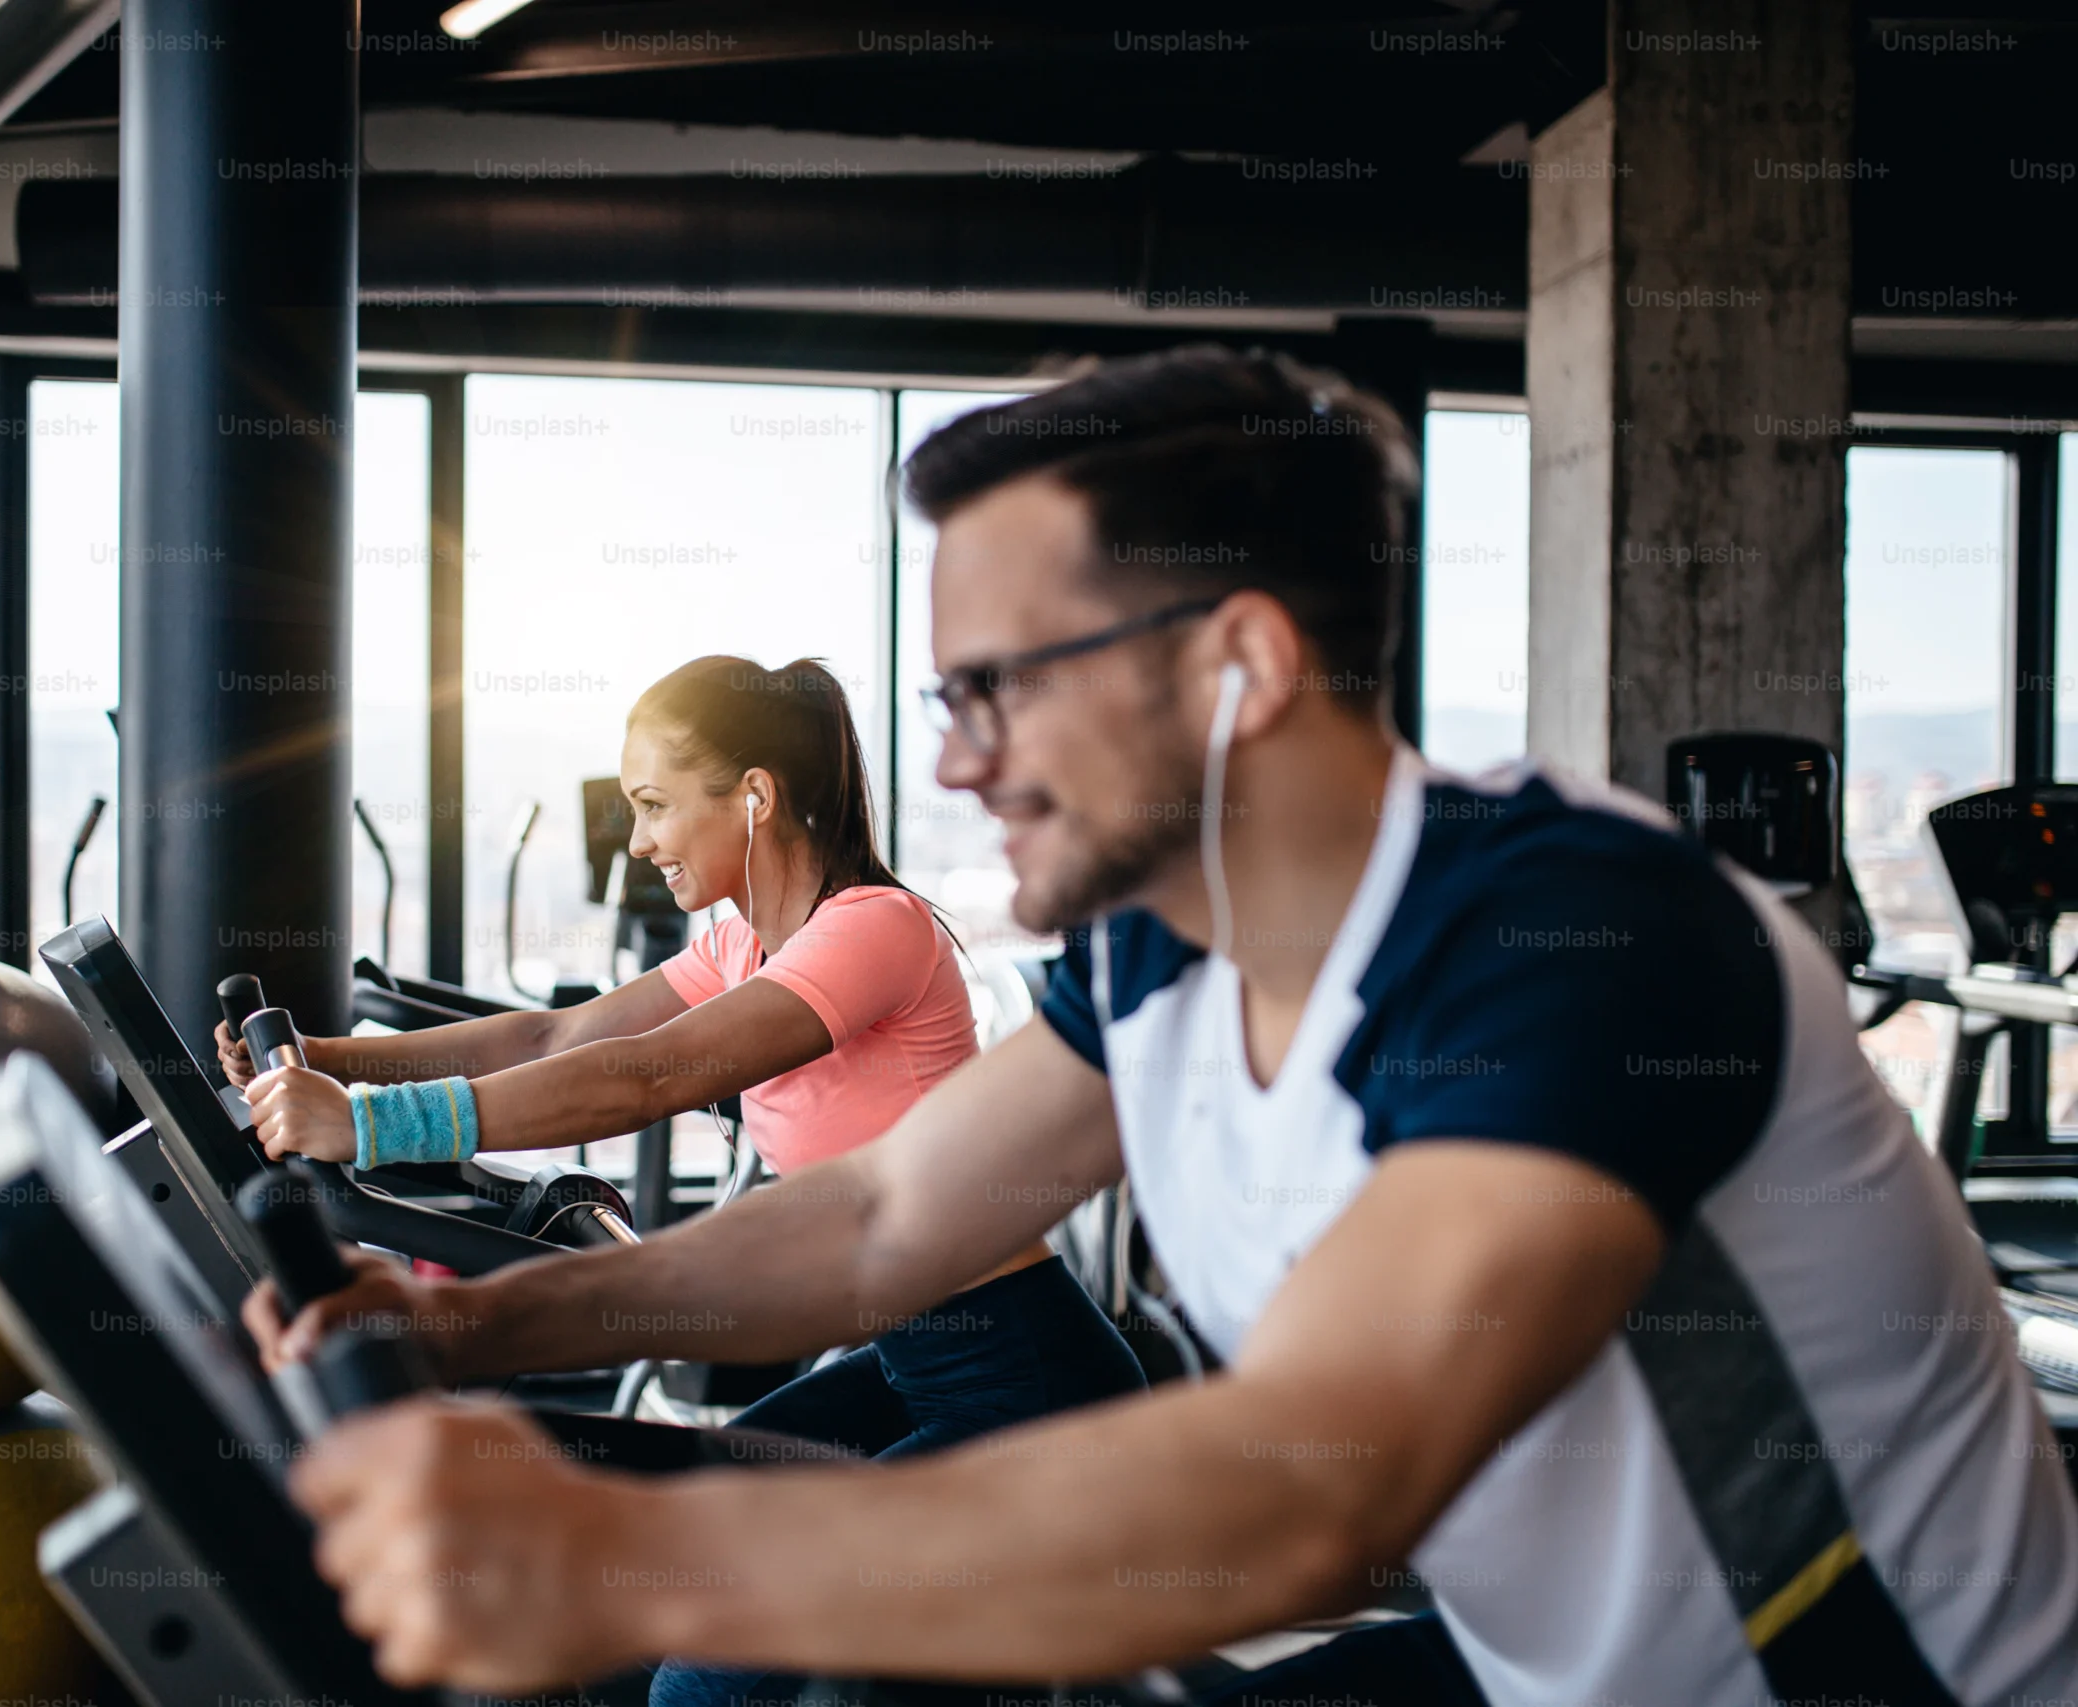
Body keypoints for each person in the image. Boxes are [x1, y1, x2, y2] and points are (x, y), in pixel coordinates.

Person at [268, 346, 2078, 1707]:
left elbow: (1308, 1496)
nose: (960, 759)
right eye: (942, 695)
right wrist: (469, 1327)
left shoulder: (1568, 935)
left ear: (1241, 670)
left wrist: (620, 1553)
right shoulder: (1161, 961)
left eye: (1000, 690)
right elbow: (887, 1220)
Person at [228, 654, 1145, 1704]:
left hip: (1021, 1380)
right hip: (914, 1366)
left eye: (655, 805)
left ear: (753, 797)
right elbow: (559, 1031)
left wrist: (370, 1127)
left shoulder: (873, 929)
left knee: (709, 1669)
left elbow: (648, 1075)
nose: (640, 840)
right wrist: (327, 1059)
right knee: (677, 1537)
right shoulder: (743, 944)